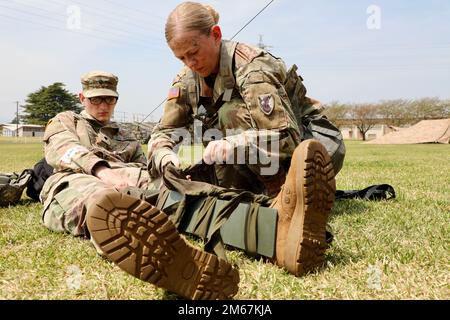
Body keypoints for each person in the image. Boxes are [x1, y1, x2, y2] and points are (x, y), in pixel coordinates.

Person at [144, 1, 343, 277]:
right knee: (197, 170)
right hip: (255, 149)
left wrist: (233, 144)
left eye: (194, 52)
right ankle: (254, 201)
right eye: (181, 58)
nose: (190, 63)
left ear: (215, 34)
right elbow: (163, 132)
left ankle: (281, 196)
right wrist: (165, 154)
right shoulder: (187, 79)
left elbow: (286, 136)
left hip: (313, 141)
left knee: (228, 115)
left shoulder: (253, 67)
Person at [40, 70, 239, 300]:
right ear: (82, 98)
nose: (103, 105)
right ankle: (160, 257)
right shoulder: (66, 120)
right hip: (75, 179)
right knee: (102, 201)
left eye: (109, 99)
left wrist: (173, 178)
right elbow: (64, 149)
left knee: (176, 188)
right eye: (96, 99)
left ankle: (236, 220)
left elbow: (143, 169)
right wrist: (103, 172)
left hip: (127, 181)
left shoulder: (126, 135)